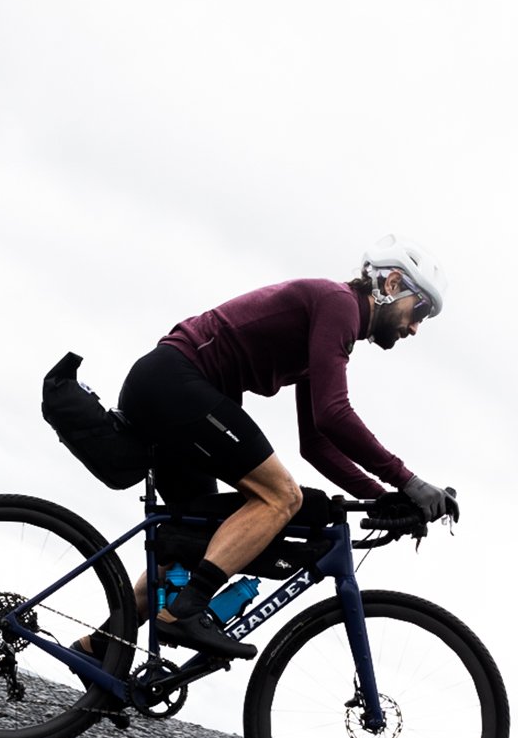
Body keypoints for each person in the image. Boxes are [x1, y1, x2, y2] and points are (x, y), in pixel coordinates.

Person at [80, 235, 458, 663]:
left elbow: (315, 440)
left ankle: (100, 647)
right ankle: (187, 612)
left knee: (196, 544)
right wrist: (409, 481)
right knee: (282, 496)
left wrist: (381, 497)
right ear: (391, 284)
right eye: (420, 310)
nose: (415, 327)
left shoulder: (333, 323)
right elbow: (335, 414)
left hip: (168, 390)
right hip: (176, 384)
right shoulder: (338, 304)